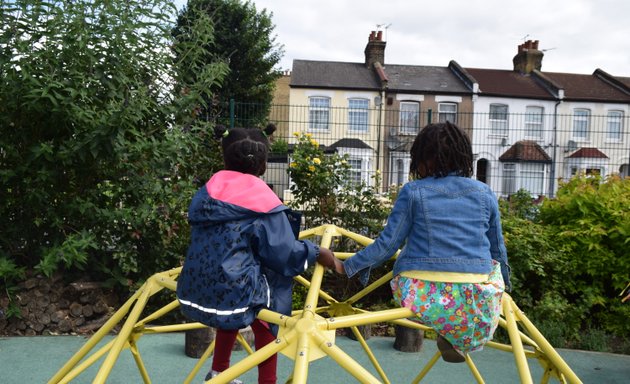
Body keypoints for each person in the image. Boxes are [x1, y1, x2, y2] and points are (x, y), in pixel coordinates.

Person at [176, 124, 340, 383]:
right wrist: (316, 251)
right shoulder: (261, 202)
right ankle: (268, 380)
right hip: (234, 292)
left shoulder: (206, 194)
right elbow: (284, 252)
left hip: (195, 290)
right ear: (263, 165)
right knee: (267, 312)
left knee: (232, 305)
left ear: (224, 158)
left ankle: (219, 372)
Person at [339, 121, 511, 363]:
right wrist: (505, 287)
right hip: (475, 296)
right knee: (484, 276)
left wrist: (349, 265)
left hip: (420, 291)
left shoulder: (413, 191)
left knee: (435, 291)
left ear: (425, 158)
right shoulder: (485, 193)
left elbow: (388, 245)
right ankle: (455, 334)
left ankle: (446, 328)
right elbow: (497, 249)